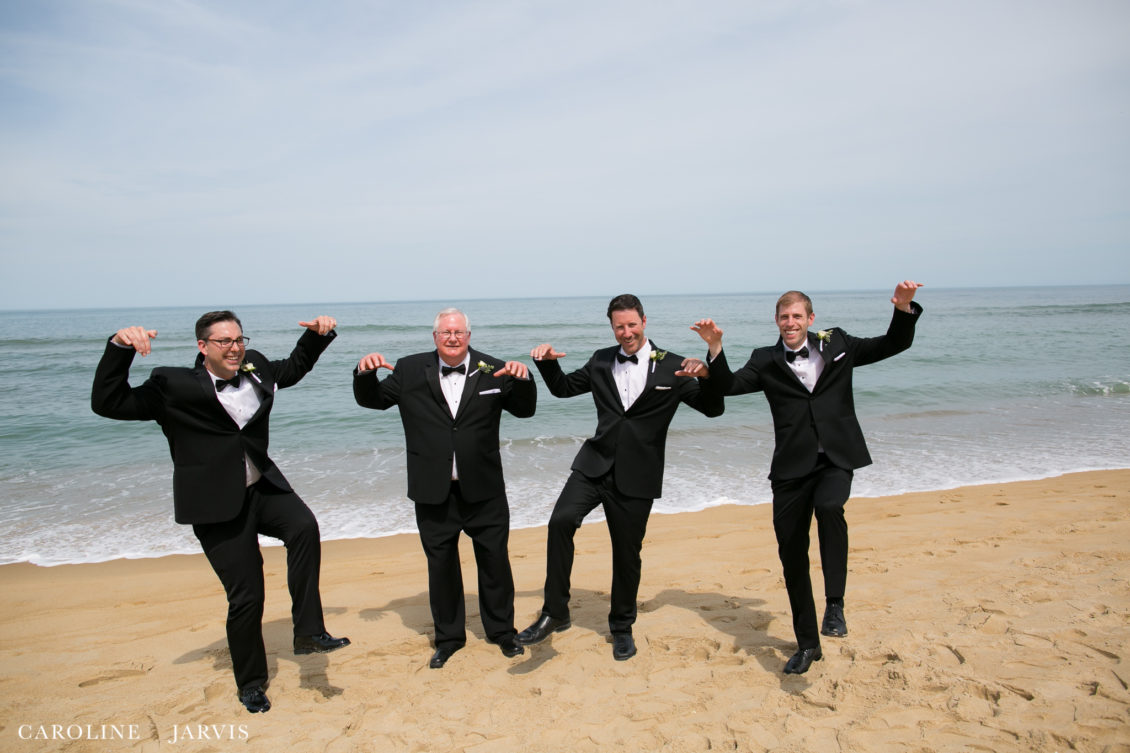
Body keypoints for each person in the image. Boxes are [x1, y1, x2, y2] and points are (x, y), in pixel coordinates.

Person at [90, 311, 350, 714]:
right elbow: (109, 402)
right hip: (214, 504)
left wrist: (318, 336)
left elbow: (293, 369)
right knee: (247, 596)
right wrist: (119, 347)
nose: (234, 347)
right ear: (203, 347)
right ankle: (251, 683)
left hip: (260, 486)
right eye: (224, 341)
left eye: (238, 339)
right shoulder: (172, 385)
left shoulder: (256, 365)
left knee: (304, 527)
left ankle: (309, 632)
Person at [701, 281, 923, 674]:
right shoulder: (765, 359)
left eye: (797, 316)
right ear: (776, 321)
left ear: (810, 319)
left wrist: (903, 309)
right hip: (790, 469)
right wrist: (715, 348)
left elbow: (892, 344)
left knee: (830, 505)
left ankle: (834, 605)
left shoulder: (837, 343)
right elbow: (728, 386)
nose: (790, 322)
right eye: (784, 317)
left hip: (837, 458)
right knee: (791, 556)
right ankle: (808, 644)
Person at [514, 294, 727, 661]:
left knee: (627, 554)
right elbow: (563, 389)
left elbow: (713, 408)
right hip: (593, 464)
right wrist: (545, 363)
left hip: (638, 474)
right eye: (619, 327)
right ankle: (555, 612)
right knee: (560, 522)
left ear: (645, 321)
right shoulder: (600, 360)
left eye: (631, 325)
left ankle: (622, 626)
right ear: (612, 327)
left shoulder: (674, 367)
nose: (626, 333)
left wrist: (711, 363)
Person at [353, 308, 536, 669]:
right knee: (441, 567)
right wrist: (364, 373)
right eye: (445, 333)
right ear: (434, 337)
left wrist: (526, 379)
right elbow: (371, 400)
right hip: (433, 489)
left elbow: (525, 411)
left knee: (495, 562)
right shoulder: (408, 369)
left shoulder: (493, 367)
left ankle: (502, 632)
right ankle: (449, 638)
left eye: (459, 332)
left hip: (484, 487)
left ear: (469, 334)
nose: (452, 338)